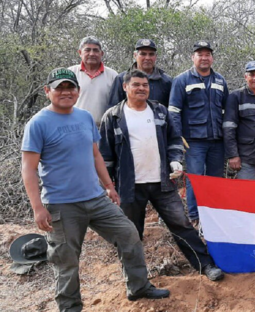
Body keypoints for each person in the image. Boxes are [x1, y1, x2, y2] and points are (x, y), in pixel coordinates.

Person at [21, 68, 169, 311]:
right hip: (61, 204)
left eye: (71, 88)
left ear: (78, 91)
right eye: (60, 88)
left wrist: (109, 187)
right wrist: (37, 208)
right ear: (48, 91)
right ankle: (70, 306)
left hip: (96, 198)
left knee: (128, 234)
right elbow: (28, 169)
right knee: (66, 260)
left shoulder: (84, 117)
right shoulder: (38, 124)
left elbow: (95, 155)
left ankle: (138, 287)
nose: (66, 93)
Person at [99, 69, 224, 281]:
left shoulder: (159, 111)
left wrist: (175, 158)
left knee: (182, 225)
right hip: (129, 186)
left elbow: (174, 139)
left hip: (162, 183)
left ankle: (206, 265)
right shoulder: (113, 116)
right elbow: (105, 154)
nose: (141, 88)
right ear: (125, 87)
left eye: (145, 85)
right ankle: (135, 279)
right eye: (136, 85)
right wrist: (108, 185)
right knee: (130, 233)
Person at [168, 41, 229, 226]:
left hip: (217, 141)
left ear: (212, 58)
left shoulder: (220, 80)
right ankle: (196, 217)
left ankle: (214, 216)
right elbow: (174, 112)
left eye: (207, 54)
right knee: (195, 180)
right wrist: (178, 140)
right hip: (193, 142)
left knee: (216, 181)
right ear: (192, 57)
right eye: (200, 54)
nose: (204, 58)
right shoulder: (182, 80)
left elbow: (228, 111)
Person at [68, 36, 118, 126]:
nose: (91, 54)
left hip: (104, 129)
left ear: (101, 53)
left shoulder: (113, 75)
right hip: (74, 127)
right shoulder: (70, 73)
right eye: (87, 50)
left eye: (95, 50)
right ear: (80, 52)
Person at [108, 39, 172, 108]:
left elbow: (172, 111)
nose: (147, 58)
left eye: (151, 54)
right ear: (135, 55)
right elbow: (113, 109)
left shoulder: (167, 81)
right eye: (143, 54)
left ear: (155, 57)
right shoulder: (121, 79)